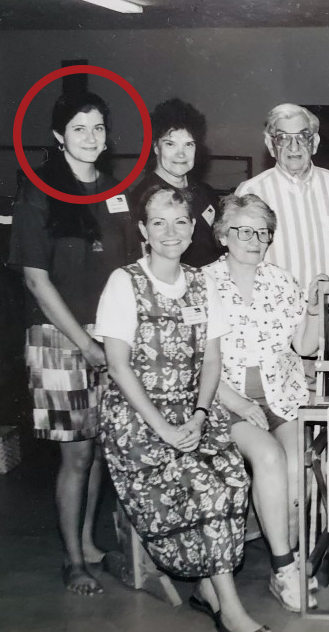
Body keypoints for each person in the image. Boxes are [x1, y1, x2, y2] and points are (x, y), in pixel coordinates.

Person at [95, 186, 268, 632]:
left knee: (230, 474)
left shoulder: (200, 283)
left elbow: (212, 359)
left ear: (194, 229)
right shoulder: (125, 282)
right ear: (143, 231)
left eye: (179, 222)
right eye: (158, 223)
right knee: (201, 485)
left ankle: (210, 587)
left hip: (191, 413)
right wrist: (165, 429)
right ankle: (230, 612)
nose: (170, 232)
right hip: (136, 420)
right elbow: (117, 365)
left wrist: (199, 415)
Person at [8, 91, 138, 595]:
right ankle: (72, 561)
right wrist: (84, 343)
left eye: (99, 128)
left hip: (109, 336)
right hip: (58, 339)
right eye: (79, 128)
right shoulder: (38, 192)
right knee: (76, 457)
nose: (91, 137)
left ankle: (86, 543)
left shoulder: (113, 191)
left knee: (101, 450)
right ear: (60, 136)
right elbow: (36, 280)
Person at [204, 194, 320, 612]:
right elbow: (197, 360)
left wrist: (312, 308)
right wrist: (234, 401)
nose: (254, 239)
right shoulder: (203, 283)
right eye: (243, 230)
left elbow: (304, 346)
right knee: (269, 458)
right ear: (223, 235)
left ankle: (289, 558)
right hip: (226, 403)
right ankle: (285, 566)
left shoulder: (281, 281)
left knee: (296, 467)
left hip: (281, 398)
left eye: (262, 232)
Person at [234, 103, 329, 291]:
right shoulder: (251, 192)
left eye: (302, 136)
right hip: (276, 312)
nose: (294, 146)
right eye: (283, 138)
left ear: (314, 142)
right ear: (270, 144)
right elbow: (241, 262)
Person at [129, 98, 224, 268]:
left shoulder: (205, 192)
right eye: (171, 144)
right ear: (156, 147)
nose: (181, 154)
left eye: (188, 144)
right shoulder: (141, 198)